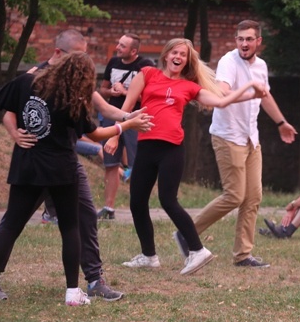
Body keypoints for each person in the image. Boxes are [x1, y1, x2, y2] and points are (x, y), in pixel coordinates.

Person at [0, 52, 150, 306]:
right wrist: (126, 126)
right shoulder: (72, 99)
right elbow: (96, 133)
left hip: (26, 166)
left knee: (11, 225)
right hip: (61, 170)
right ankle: (72, 292)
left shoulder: (25, 82)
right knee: (70, 228)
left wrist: (17, 128)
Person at [109, 37, 265, 275]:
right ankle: (149, 256)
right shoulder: (147, 73)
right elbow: (126, 109)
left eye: (183, 54)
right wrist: (114, 135)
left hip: (171, 148)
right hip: (146, 146)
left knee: (168, 200)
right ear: (166, 55)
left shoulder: (190, 86)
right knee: (137, 202)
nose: (178, 57)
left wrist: (249, 89)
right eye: (175, 52)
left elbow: (221, 101)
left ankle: (197, 250)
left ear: (187, 61)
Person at [175, 20, 297, 269]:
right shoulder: (228, 62)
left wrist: (281, 122)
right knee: (234, 195)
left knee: (253, 197)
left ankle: (243, 255)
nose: (244, 43)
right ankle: (187, 233)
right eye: (240, 39)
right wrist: (248, 89)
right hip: (228, 136)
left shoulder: (261, 66)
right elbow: (222, 92)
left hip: (251, 137)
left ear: (258, 41)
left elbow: (265, 97)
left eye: (249, 39)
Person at [98, 33, 154, 220]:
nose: (117, 47)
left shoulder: (145, 65)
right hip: (111, 116)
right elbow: (102, 90)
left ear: (133, 51)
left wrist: (126, 92)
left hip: (135, 119)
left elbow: (149, 96)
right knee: (111, 163)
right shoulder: (113, 62)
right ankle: (109, 208)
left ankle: (139, 206)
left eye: (122, 46)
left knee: (137, 163)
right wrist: (111, 91)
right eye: (118, 43)